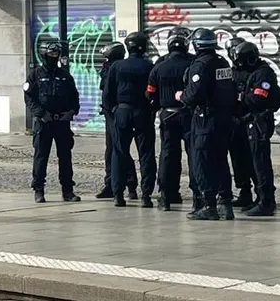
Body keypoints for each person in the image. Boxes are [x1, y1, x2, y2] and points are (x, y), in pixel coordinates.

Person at [179, 28, 237, 221]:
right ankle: (225, 203)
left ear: (196, 45)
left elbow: (194, 94)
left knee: (202, 161)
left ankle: (209, 205)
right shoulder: (222, 62)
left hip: (205, 118)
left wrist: (182, 96)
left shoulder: (200, 65)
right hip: (224, 117)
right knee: (220, 160)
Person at [102, 32, 156, 208]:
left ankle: (118, 194)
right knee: (146, 154)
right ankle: (146, 195)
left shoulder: (117, 66)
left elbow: (107, 94)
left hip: (122, 112)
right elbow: (154, 92)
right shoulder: (149, 66)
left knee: (119, 153)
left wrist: (112, 113)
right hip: (143, 112)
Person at [24, 41, 81, 204]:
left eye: (56, 54)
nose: (54, 57)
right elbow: (29, 98)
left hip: (62, 122)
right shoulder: (35, 75)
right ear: (44, 55)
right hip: (44, 122)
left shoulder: (65, 75)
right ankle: (38, 189)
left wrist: (72, 111)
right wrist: (41, 113)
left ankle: (67, 190)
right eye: (51, 54)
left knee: (65, 156)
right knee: (41, 157)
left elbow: (74, 96)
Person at [147, 33, 197, 211]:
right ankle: (198, 196)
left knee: (168, 156)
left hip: (168, 116)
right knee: (194, 155)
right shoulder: (193, 64)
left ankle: (166, 196)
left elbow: (150, 93)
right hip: (189, 115)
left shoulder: (159, 67)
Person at [234, 41, 280, 217]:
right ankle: (258, 197)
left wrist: (240, 96)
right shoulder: (247, 72)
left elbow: (258, 99)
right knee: (249, 162)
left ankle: (267, 201)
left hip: (259, 122)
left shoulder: (264, 73)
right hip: (246, 122)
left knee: (261, 162)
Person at [96, 42, 138, 200]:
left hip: (115, 114)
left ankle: (125, 184)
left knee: (117, 150)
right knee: (114, 150)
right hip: (113, 112)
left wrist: (110, 108)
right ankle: (116, 183)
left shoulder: (115, 68)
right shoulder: (113, 67)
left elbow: (109, 90)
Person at [225, 37, 256, 209]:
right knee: (237, 159)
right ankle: (244, 191)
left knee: (254, 159)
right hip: (234, 120)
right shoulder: (230, 71)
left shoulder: (254, 71)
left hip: (250, 119)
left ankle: (262, 193)